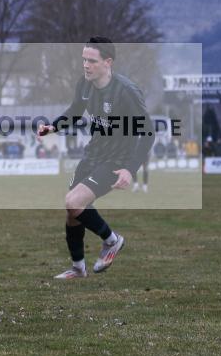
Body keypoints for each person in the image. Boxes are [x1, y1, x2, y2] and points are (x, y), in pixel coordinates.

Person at [38, 37, 153, 279]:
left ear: (107, 62)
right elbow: (75, 112)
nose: (86, 65)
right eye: (84, 60)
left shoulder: (127, 91)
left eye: (92, 61)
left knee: (74, 202)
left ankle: (112, 240)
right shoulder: (85, 84)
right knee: (73, 211)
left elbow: (148, 132)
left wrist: (129, 169)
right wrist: (53, 127)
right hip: (93, 154)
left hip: (116, 159)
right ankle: (78, 268)